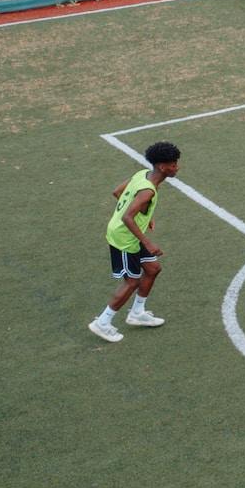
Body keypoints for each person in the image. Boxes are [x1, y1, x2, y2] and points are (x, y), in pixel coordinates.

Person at [90, 141, 180, 343]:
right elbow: (127, 218)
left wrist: (145, 215)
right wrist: (147, 242)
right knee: (132, 281)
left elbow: (117, 192)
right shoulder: (148, 191)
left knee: (153, 269)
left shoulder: (142, 175)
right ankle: (103, 323)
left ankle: (137, 313)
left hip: (130, 232)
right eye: (173, 164)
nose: (176, 167)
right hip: (124, 238)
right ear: (162, 166)